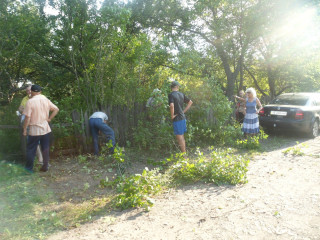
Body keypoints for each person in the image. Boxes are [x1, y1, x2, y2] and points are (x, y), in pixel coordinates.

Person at [23, 84, 59, 172]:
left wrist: (24, 129)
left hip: (34, 130)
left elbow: (27, 117)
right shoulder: (45, 99)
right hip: (45, 129)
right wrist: (49, 118)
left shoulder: (30, 102)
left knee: (31, 149)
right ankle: (45, 167)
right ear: (40, 92)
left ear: (31, 91)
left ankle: (29, 169)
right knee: (45, 148)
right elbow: (56, 109)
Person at [18, 85, 43, 165]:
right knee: (33, 140)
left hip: (36, 121)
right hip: (27, 122)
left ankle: (39, 160)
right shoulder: (24, 99)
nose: (28, 92)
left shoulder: (38, 98)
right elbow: (20, 109)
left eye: (30, 90)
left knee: (35, 140)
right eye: (27, 91)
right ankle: (39, 160)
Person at [168, 81, 193, 153]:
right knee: (182, 137)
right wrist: (183, 112)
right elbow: (190, 102)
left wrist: (172, 116)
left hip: (177, 118)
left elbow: (172, 105)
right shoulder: (181, 94)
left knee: (180, 138)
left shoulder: (171, 95)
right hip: (182, 118)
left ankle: (184, 156)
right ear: (177, 87)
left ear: (171, 87)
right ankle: (183, 154)